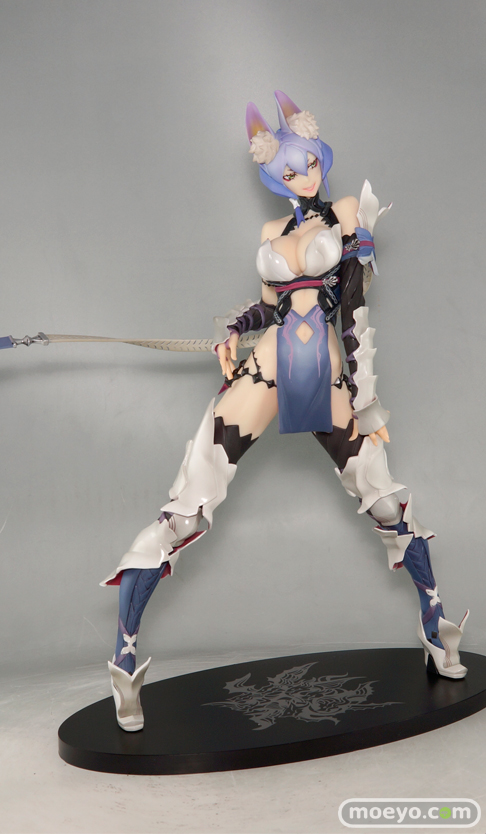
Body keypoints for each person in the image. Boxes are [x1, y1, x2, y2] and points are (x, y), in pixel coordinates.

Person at [101, 91, 469, 732]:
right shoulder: (271, 232)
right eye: (288, 171)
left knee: (384, 500)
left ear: (320, 155)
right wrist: (233, 330)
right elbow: (270, 306)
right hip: (269, 364)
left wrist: (367, 396)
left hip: (323, 367)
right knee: (188, 505)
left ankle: (435, 624)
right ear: (274, 177)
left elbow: (351, 303)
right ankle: (125, 660)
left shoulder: (347, 212)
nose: (302, 176)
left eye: (309, 163)